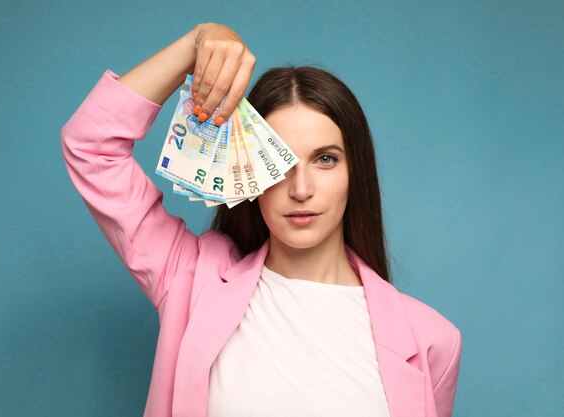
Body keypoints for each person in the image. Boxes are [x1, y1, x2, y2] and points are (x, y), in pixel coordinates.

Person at [60, 22, 462, 417]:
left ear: (354, 173)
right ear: (248, 172)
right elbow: (91, 146)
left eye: (325, 159)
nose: (300, 188)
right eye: (280, 160)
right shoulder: (191, 279)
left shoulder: (431, 340)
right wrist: (195, 43)